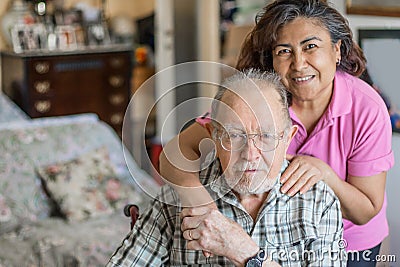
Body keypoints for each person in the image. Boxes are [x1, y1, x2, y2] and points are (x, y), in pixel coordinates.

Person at [159, 1, 394, 266]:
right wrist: (200, 202)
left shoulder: (366, 107)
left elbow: (366, 211)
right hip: (272, 239)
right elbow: (173, 154)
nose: (299, 63)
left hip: (350, 245)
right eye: (284, 51)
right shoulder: (257, 101)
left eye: (311, 47)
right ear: (271, 59)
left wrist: (324, 173)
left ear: (336, 50)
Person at [107, 70, 345, 266]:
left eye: (266, 136)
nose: (250, 154)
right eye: (234, 135)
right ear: (213, 135)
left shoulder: (319, 203)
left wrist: (244, 251)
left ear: (287, 138)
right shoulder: (175, 201)